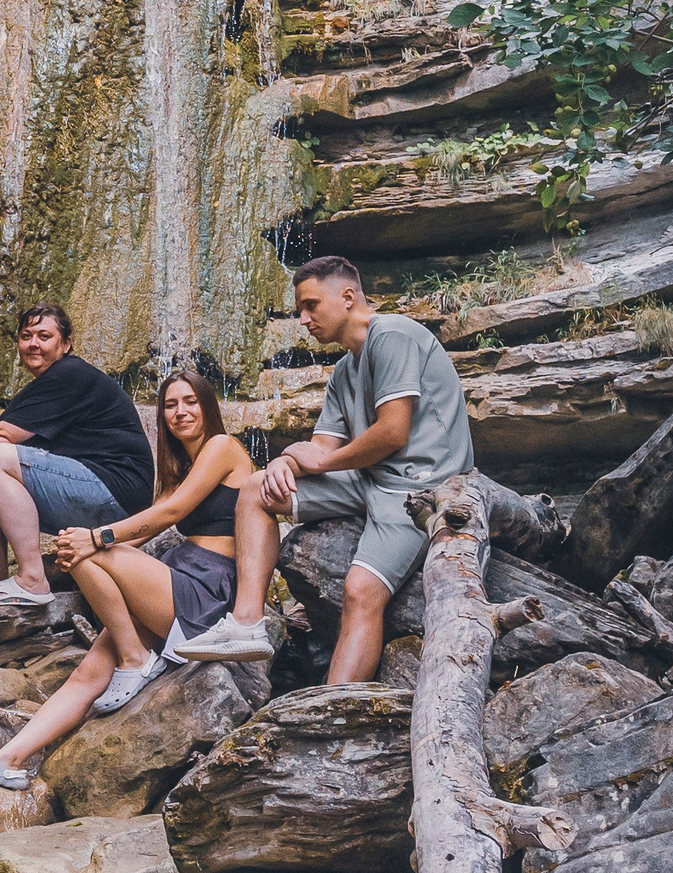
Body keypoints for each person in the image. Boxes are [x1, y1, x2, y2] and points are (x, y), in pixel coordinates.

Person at [0, 370, 257, 789]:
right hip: (176, 579)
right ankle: (10, 759)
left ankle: (136, 659)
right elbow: (145, 528)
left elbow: (170, 513)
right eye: (170, 405)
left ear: (208, 406)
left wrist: (95, 537)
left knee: (88, 550)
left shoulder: (223, 447)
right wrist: (83, 540)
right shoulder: (178, 467)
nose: (180, 412)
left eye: (190, 401)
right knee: (89, 671)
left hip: (208, 589)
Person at [186, 255, 473, 678]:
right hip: (370, 479)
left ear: (348, 297)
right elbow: (320, 446)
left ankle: (334, 711)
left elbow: (392, 432)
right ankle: (247, 625)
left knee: (360, 590)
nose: (302, 319)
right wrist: (286, 462)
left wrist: (325, 461)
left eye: (310, 306)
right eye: (300, 309)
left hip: (423, 489)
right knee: (254, 489)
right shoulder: (343, 370)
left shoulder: (393, 334)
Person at [0, 304, 153, 610]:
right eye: (26, 336)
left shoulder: (70, 373)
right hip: (91, 495)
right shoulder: (41, 389)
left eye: (44, 336)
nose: (33, 344)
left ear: (65, 344)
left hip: (118, 499)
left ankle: (32, 580)